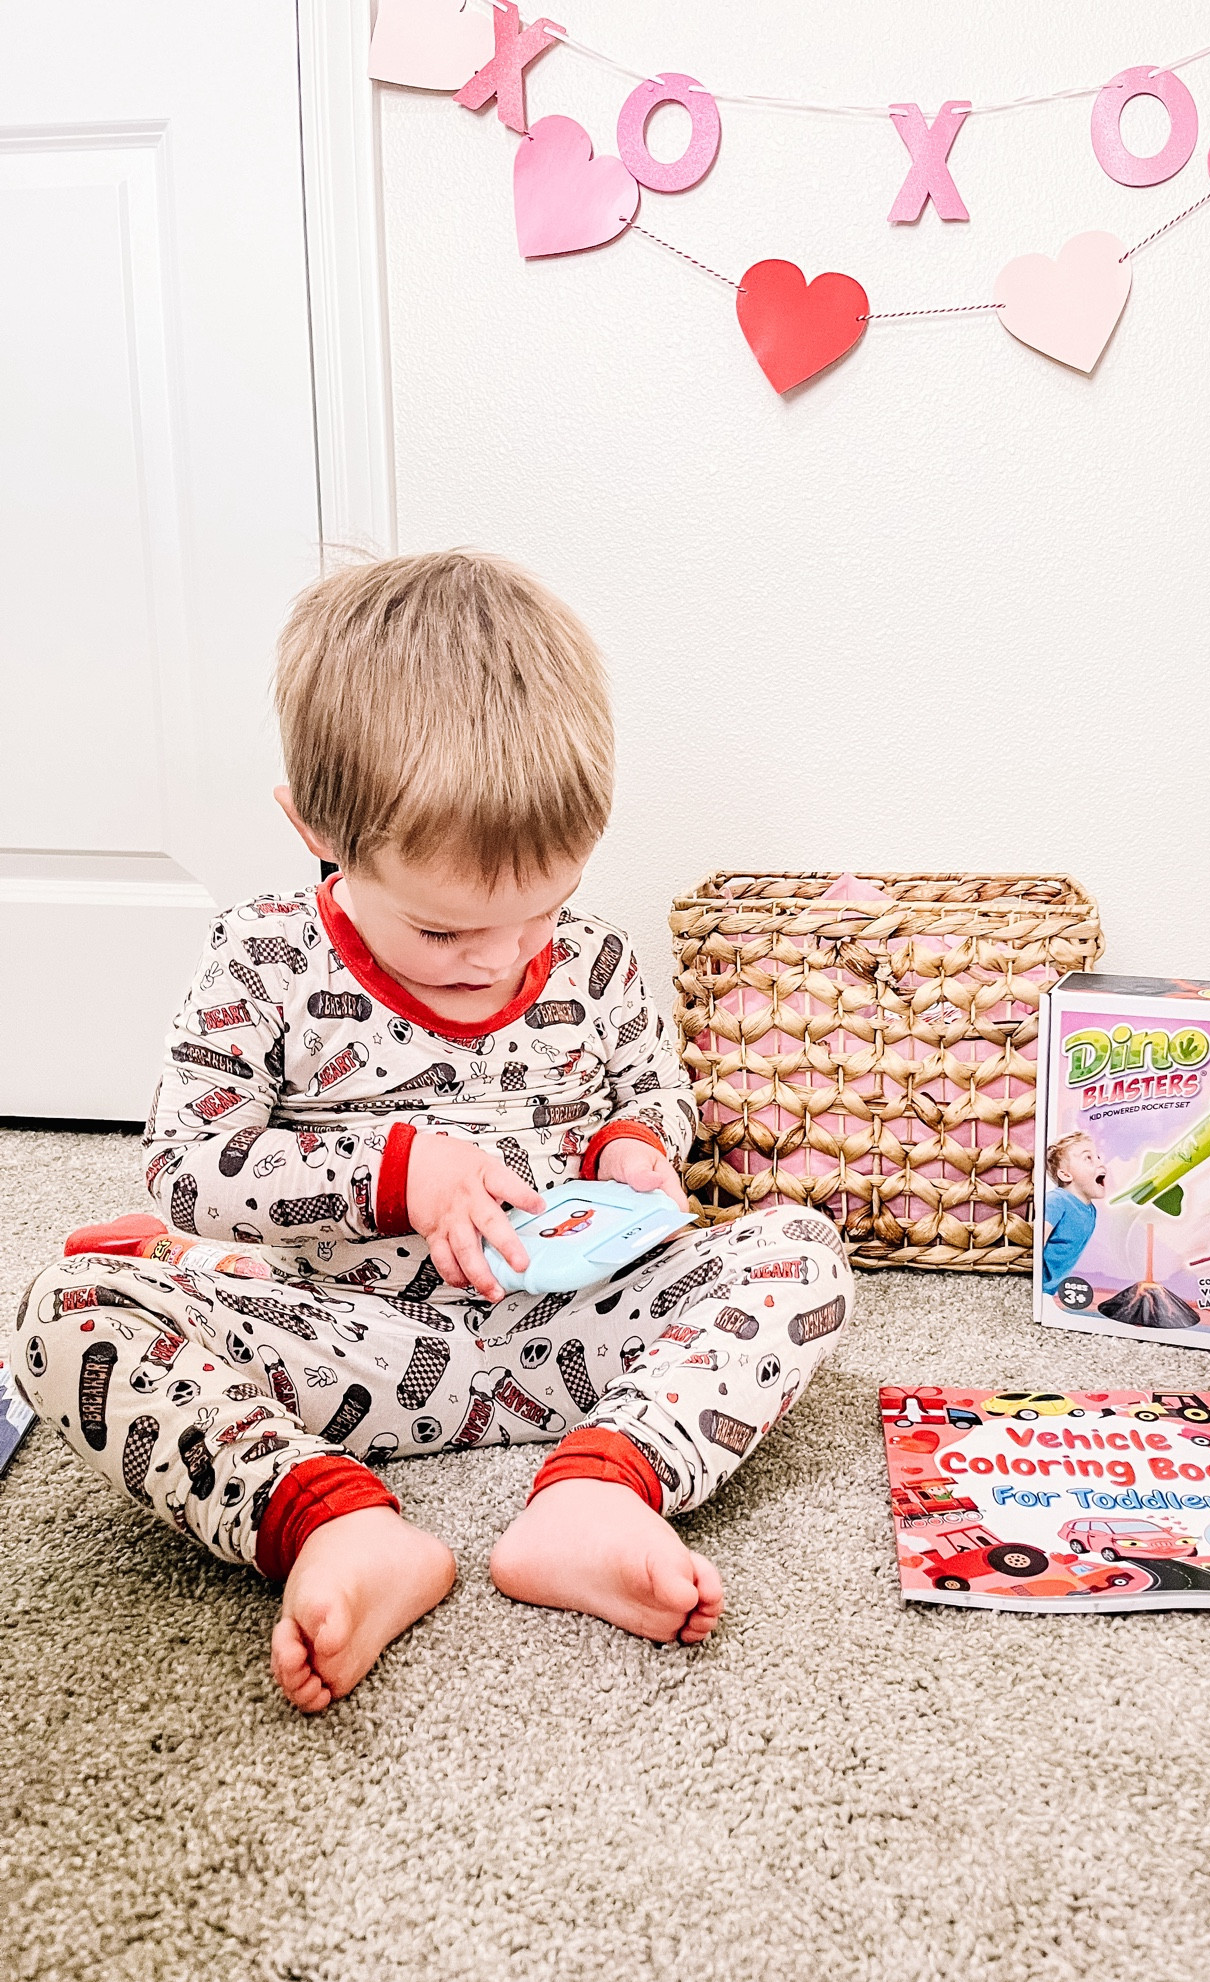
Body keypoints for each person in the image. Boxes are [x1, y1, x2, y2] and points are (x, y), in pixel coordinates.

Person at [12, 552, 854, 1712]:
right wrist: (392, 1173)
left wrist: (636, 1148)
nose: (501, 957)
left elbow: (653, 1086)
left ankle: (601, 1488)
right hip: (338, 1341)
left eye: (542, 910)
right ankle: (332, 1519)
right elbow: (186, 1168)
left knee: (800, 1251)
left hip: (567, 1331)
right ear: (318, 829)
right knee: (68, 1308)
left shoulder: (596, 960)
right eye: (445, 930)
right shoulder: (263, 958)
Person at [1039, 1132, 1108, 1292]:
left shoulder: (1091, 1211)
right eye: (1088, 1158)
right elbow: (1036, 1243)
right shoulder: (1056, 1201)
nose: (1100, 1163)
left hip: (1055, 1290)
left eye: (1098, 1157)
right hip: (1039, 1286)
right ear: (1065, 1174)